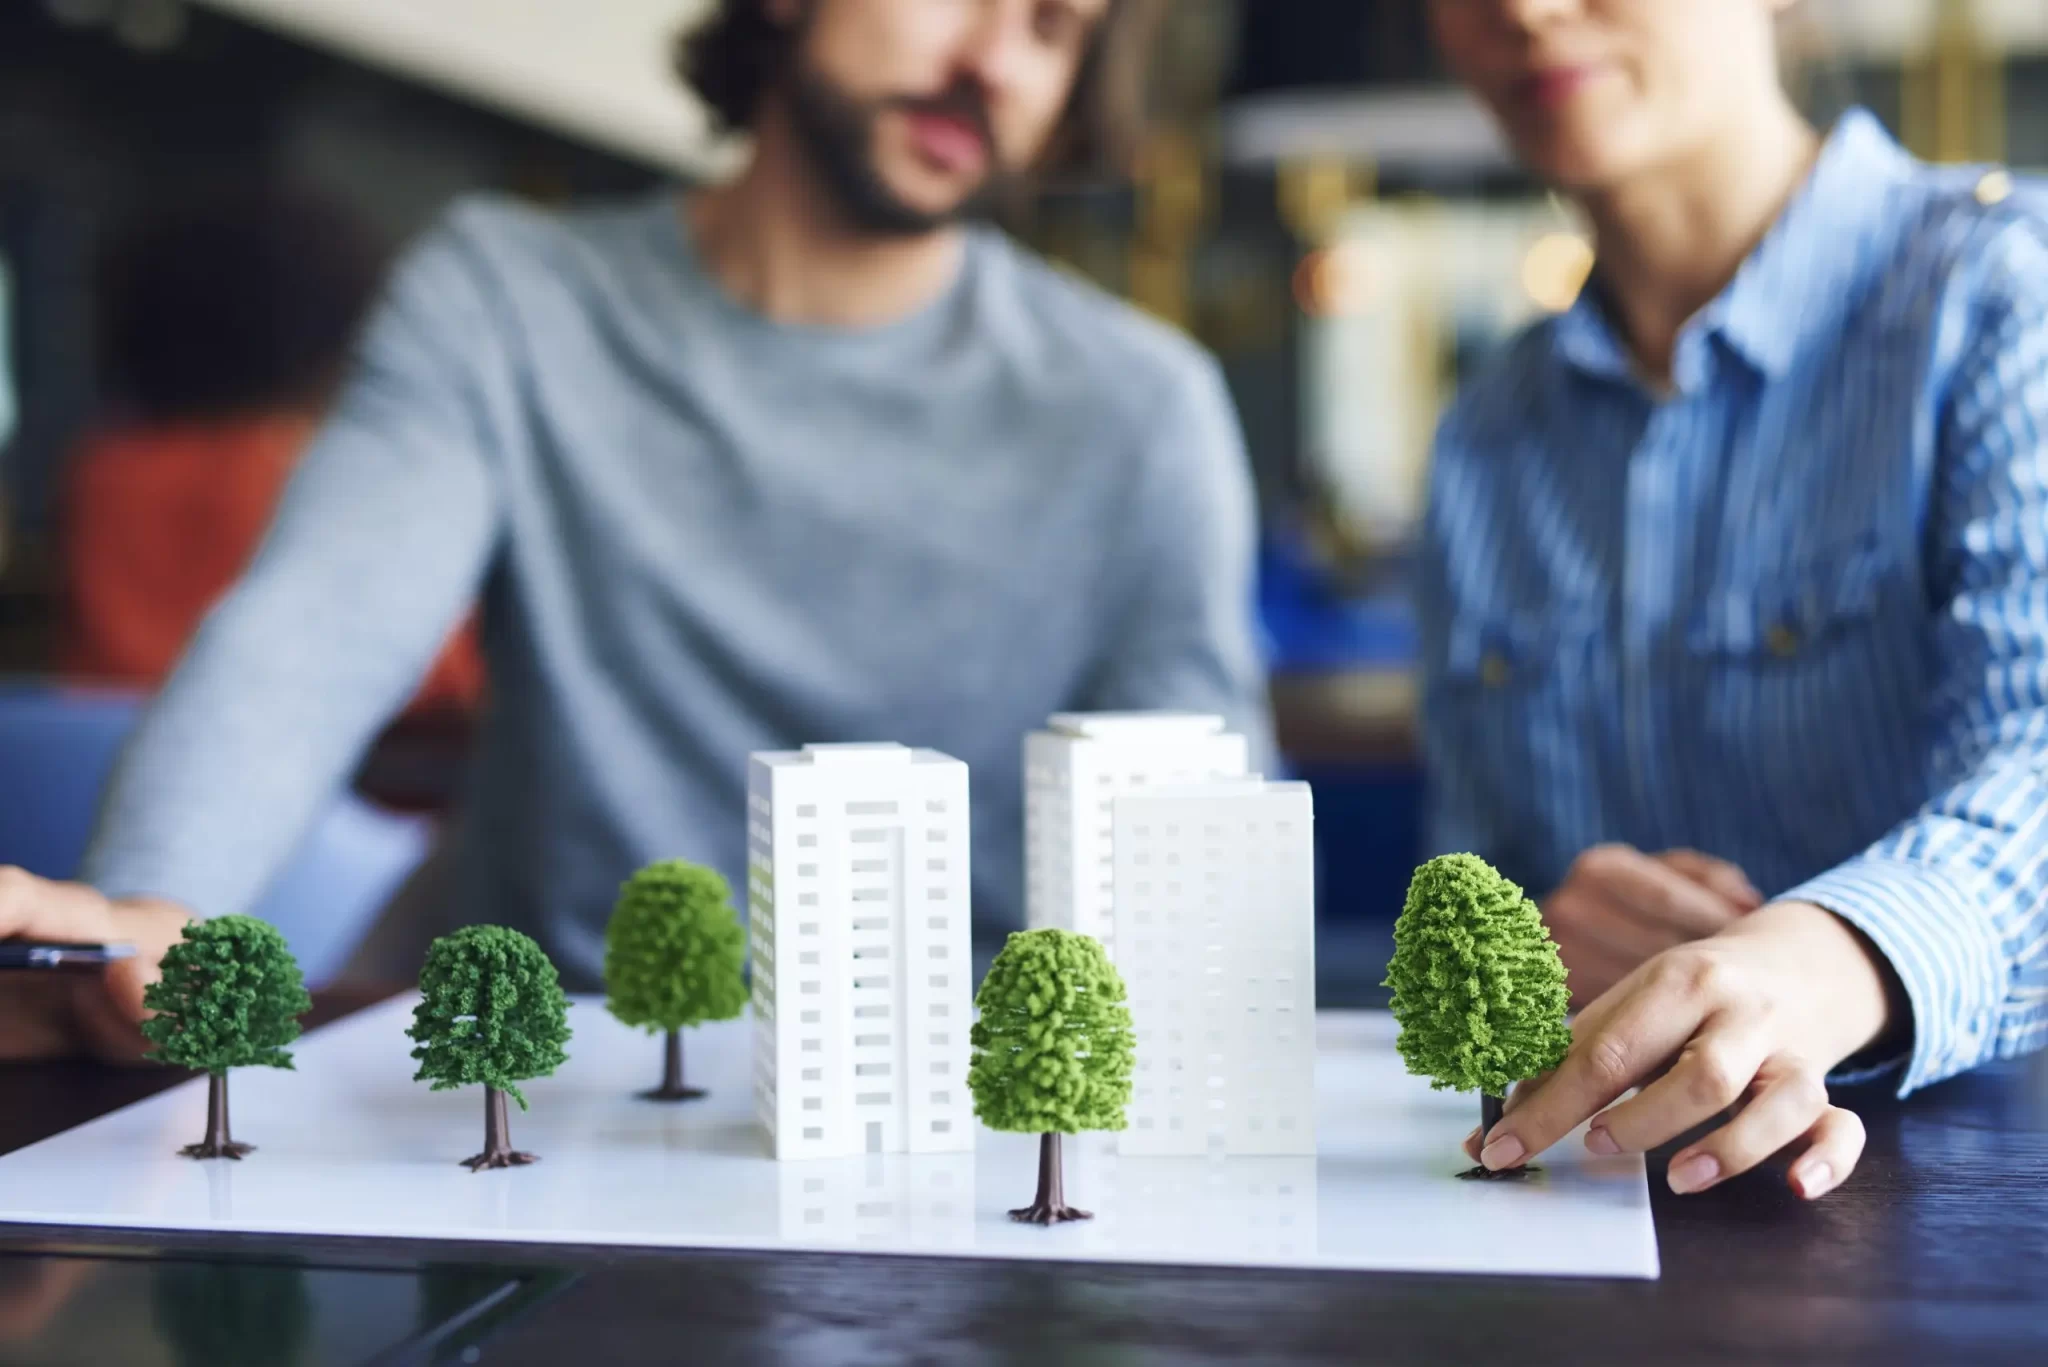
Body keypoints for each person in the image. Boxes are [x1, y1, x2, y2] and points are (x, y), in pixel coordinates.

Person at [0, 0, 1270, 1058]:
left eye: (1054, 28)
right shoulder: (510, 299)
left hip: (963, 1110)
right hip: (542, 1084)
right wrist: (155, 906)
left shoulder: (1138, 408)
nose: (993, 57)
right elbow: (316, 629)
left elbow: (1201, 842)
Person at [1421, 0, 2048, 1199]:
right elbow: (1481, 876)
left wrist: (1829, 957)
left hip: (1970, 1216)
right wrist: (1548, 941)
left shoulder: (2004, 299)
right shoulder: (1486, 437)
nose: (1523, 11)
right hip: (1591, 1222)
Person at [62, 183, 484, 717]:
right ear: (335, 336)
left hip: (101, 778)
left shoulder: (103, 473)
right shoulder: (310, 473)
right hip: (297, 785)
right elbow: (442, 688)